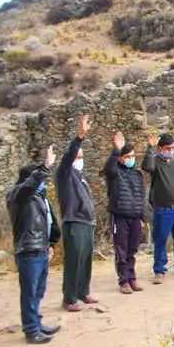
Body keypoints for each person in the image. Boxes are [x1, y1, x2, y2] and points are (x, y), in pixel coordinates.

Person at [7, 146, 61, 344]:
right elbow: (29, 187)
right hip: (28, 251)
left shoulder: (38, 198)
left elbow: (47, 222)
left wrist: (50, 243)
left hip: (40, 249)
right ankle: (31, 330)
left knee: (38, 290)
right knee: (29, 292)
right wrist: (45, 166)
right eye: (38, 179)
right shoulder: (17, 197)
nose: (42, 184)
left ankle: (37, 323)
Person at [55, 114, 97, 311]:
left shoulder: (79, 176)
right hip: (74, 222)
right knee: (73, 260)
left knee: (85, 259)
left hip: (87, 222)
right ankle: (69, 298)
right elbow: (68, 156)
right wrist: (79, 138)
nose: (80, 160)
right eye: (78, 157)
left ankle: (83, 291)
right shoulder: (64, 173)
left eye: (82, 157)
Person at [142, 131, 174, 283]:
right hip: (163, 209)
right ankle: (159, 271)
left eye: (172, 147)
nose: (170, 150)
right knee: (161, 240)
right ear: (160, 149)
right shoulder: (155, 162)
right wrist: (150, 148)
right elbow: (147, 166)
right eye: (166, 148)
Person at [103, 131, 146, 294]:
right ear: (121, 158)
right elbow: (108, 169)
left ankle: (132, 277)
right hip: (119, 216)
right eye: (127, 156)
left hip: (135, 217)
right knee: (121, 250)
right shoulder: (114, 173)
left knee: (132, 249)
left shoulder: (137, 174)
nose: (130, 159)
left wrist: (142, 217)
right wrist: (116, 150)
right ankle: (124, 281)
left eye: (132, 156)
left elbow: (141, 196)